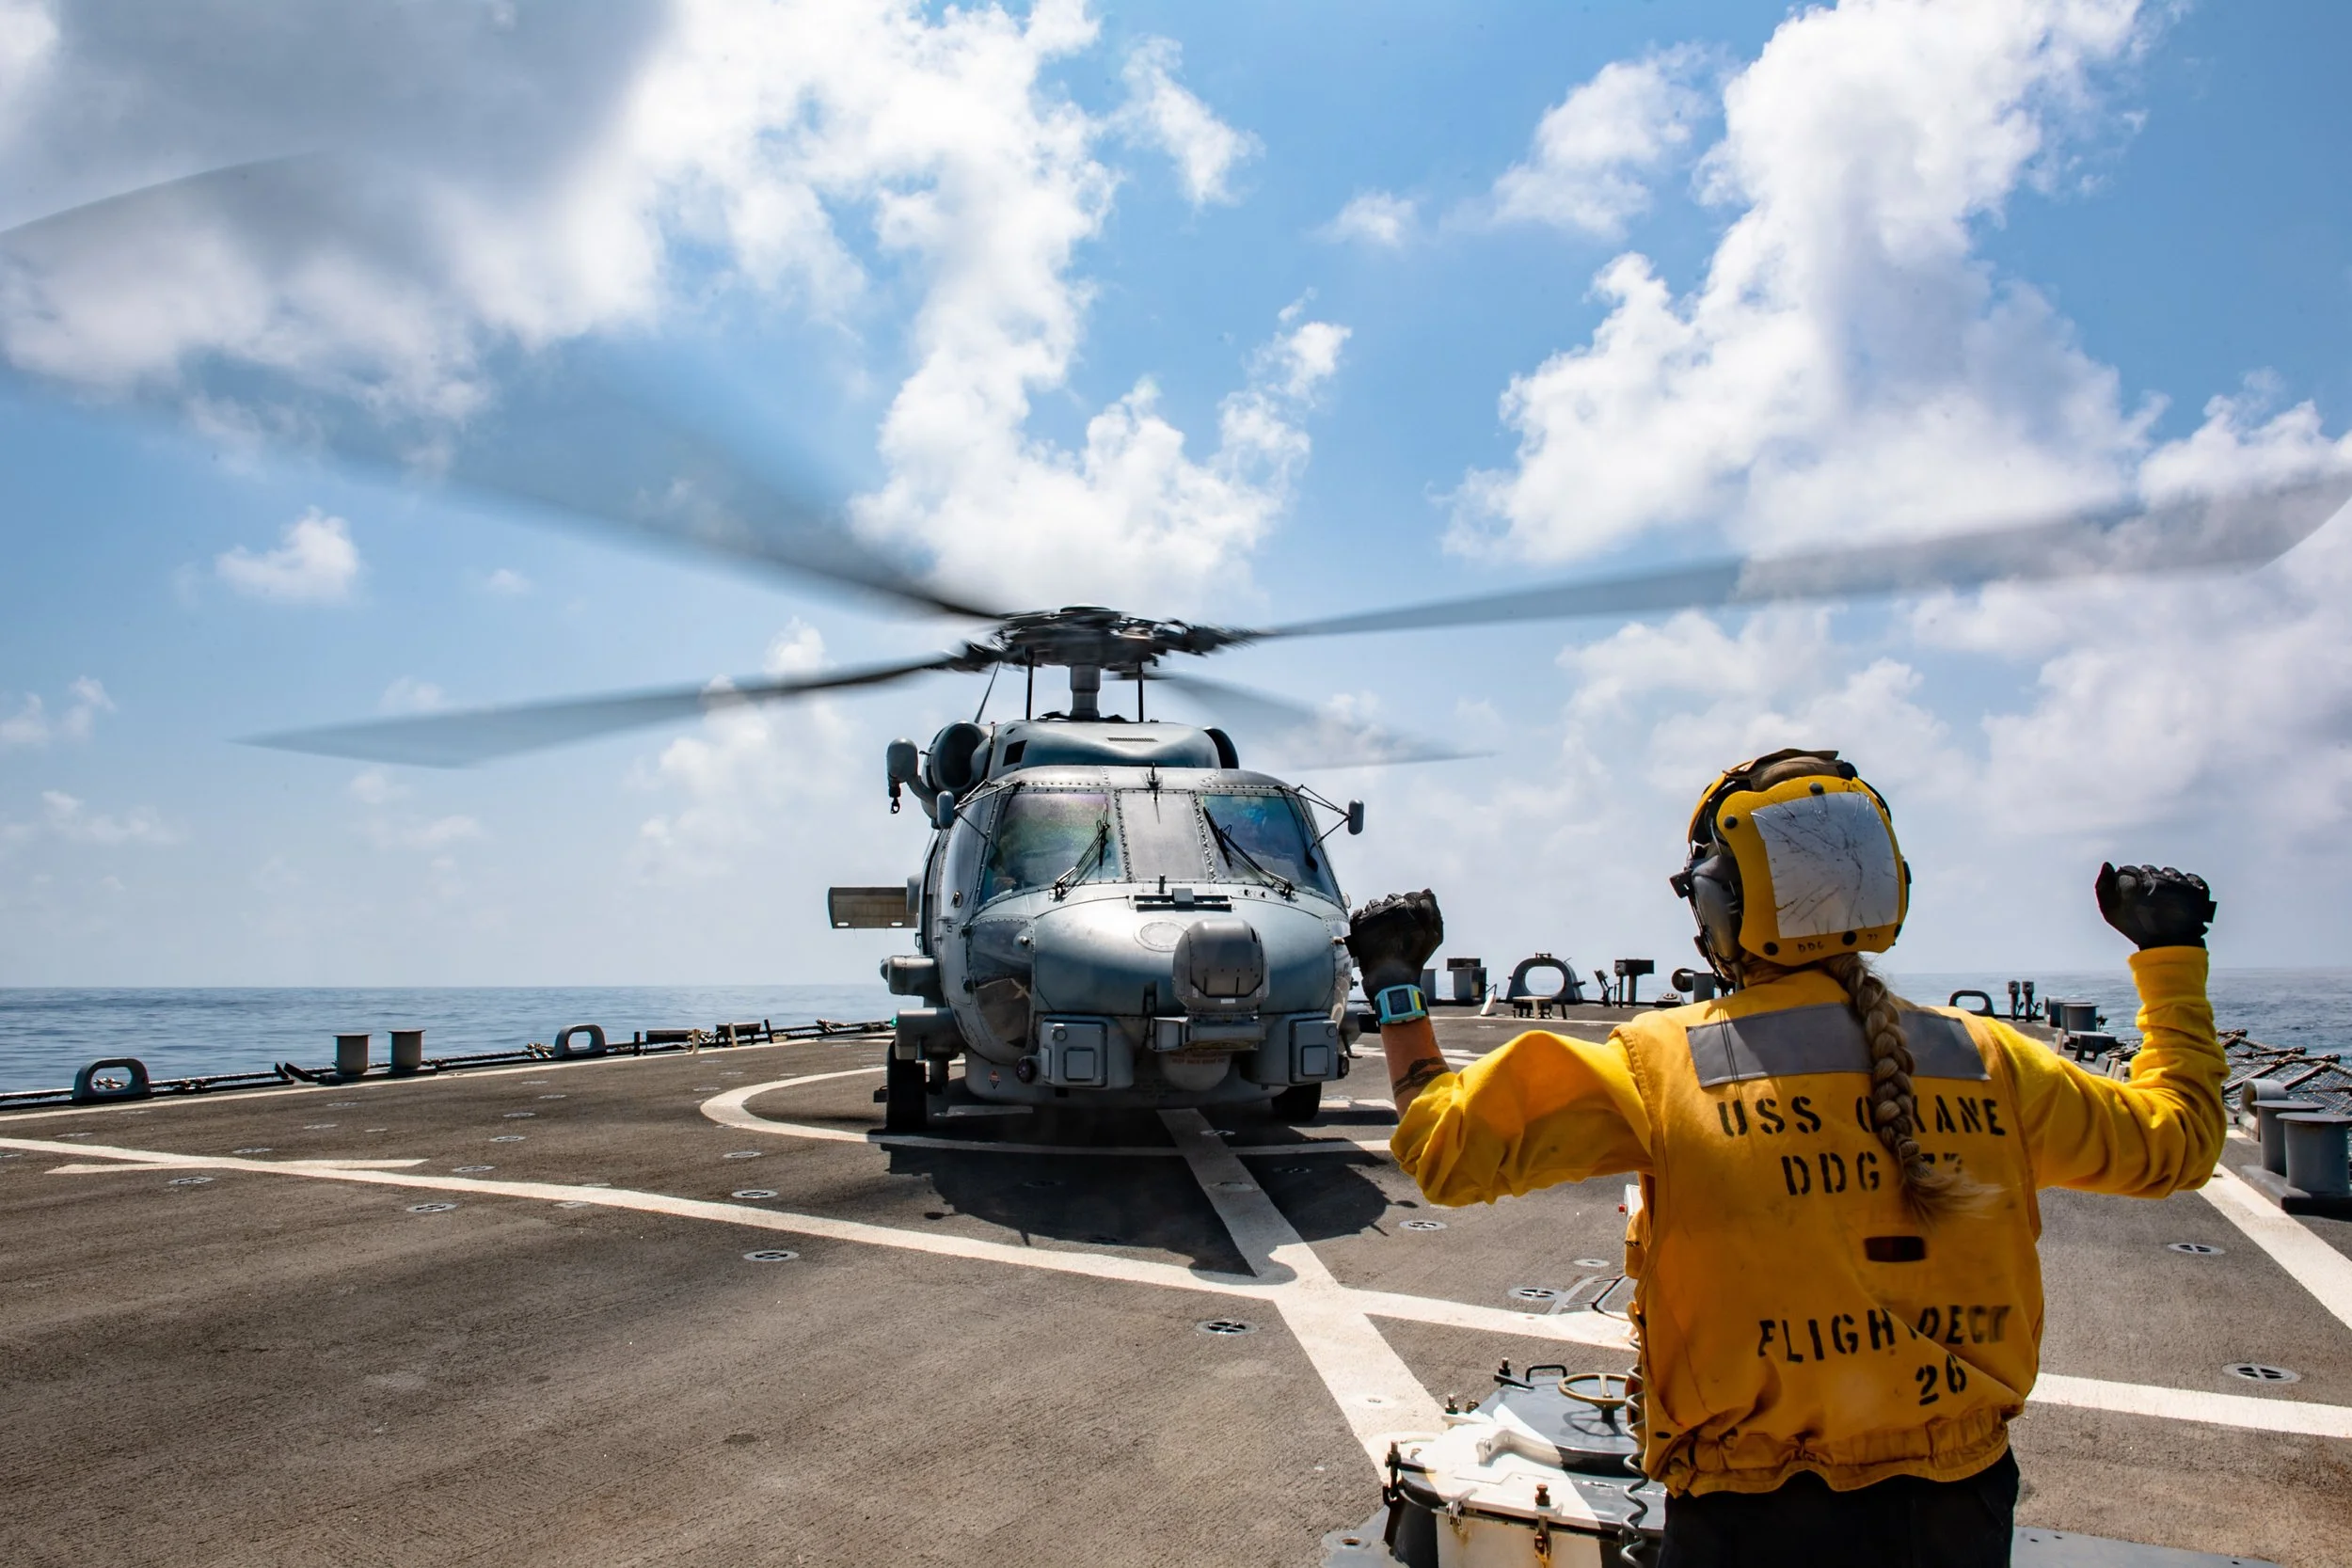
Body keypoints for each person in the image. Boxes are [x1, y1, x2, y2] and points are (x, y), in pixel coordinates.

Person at [1348, 748, 2223, 1568]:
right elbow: (2177, 1140)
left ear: (1722, 907)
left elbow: (1444, 1147)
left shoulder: (1662, 1062)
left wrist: (1395, 982)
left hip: (1747, 1516)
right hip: (1956, 1513)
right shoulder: (1990, 1061)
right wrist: (2171, 955)